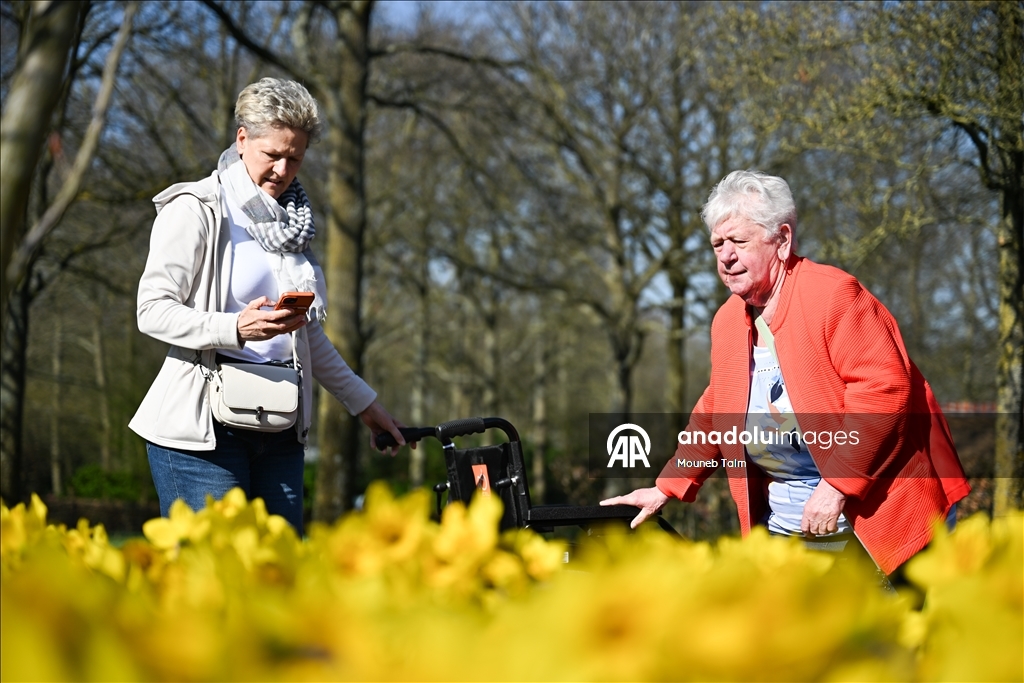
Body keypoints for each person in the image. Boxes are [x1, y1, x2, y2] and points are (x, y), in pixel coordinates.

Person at [602, 170, 970, 577]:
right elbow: (717, 410)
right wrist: (665, 487)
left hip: (878, 521)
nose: (726, 256)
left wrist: (838, 484)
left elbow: (883, 392)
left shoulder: (834, 296)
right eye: (718, 244)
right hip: (788, 528)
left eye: (739, 241)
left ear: (781, 240)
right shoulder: (727, 320)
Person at [130, 78, 407, 533]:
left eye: (294, 158)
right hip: (201, 435)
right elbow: (152, 310)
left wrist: (364, 404)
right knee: (213, 571)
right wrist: (235, 328)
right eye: (271, 154)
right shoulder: (197, 208)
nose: (282, 170)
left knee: (279, 572)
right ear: (242, 139)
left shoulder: (292, 225)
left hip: (280, 428)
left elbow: (305, 335)